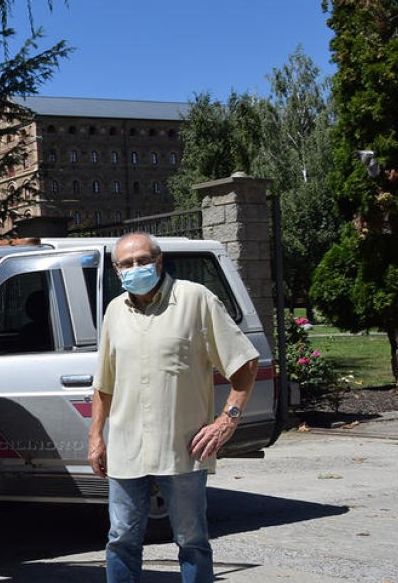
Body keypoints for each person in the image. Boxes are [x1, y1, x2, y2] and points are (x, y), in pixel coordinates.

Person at [89, 232, 259, 583]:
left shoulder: (196, 299)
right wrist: (95, 436)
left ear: (159, 261)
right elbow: (104, 382)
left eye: (142, 260)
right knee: (121, 540)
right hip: (127, 448)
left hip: (183, 447)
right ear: (116, 270)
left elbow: (245, 363)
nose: (135, 268)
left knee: (192, 541)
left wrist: (228, 420)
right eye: (126, 263)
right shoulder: (113, 311)